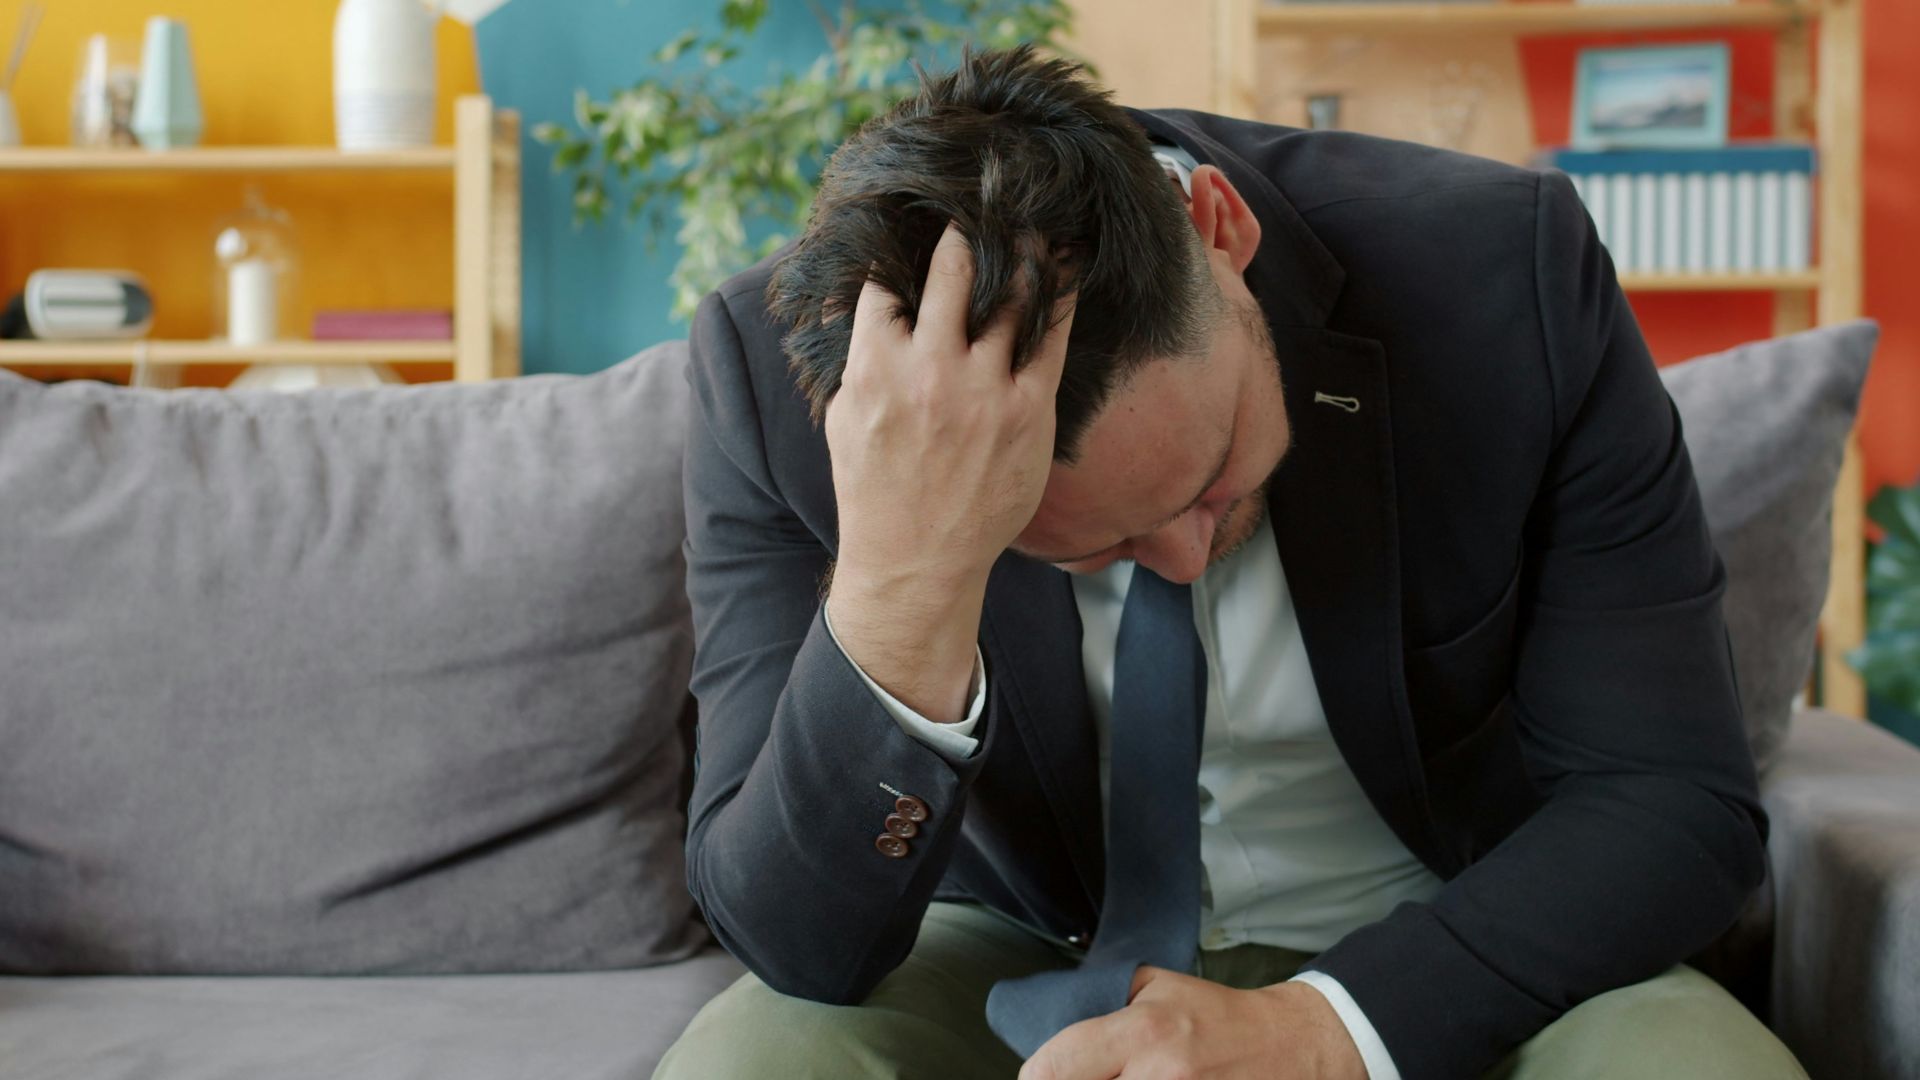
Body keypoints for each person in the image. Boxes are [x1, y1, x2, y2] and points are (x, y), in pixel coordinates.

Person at [653, 44, 1807, 1080]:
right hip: (1024, 945)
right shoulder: (780, 394)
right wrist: (907, 582)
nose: (1180, 558)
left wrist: (1331, 1030)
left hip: (1458, 932)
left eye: (1212, 478)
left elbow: (1671, 800)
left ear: (1222, 229)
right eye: (1095, 546)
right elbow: (794, 944)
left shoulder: (1506, 273)